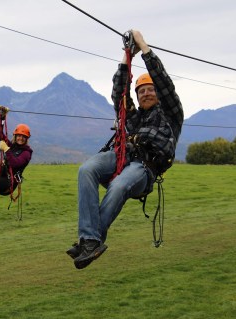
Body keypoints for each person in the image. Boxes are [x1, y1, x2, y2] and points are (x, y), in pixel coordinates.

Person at [67, 29, 184, 269]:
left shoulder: (171, 115)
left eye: (150, 90)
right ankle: (91, 239)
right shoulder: (132, 118)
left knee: (118, 185)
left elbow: (164, 84)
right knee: (86, 169)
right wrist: (126, 55)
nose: (146, 93)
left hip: (144, 168)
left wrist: (143, 46)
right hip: (123, 158)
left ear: (158, 95)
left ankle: (90, 239)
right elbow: (118, 93)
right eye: (141, 91)